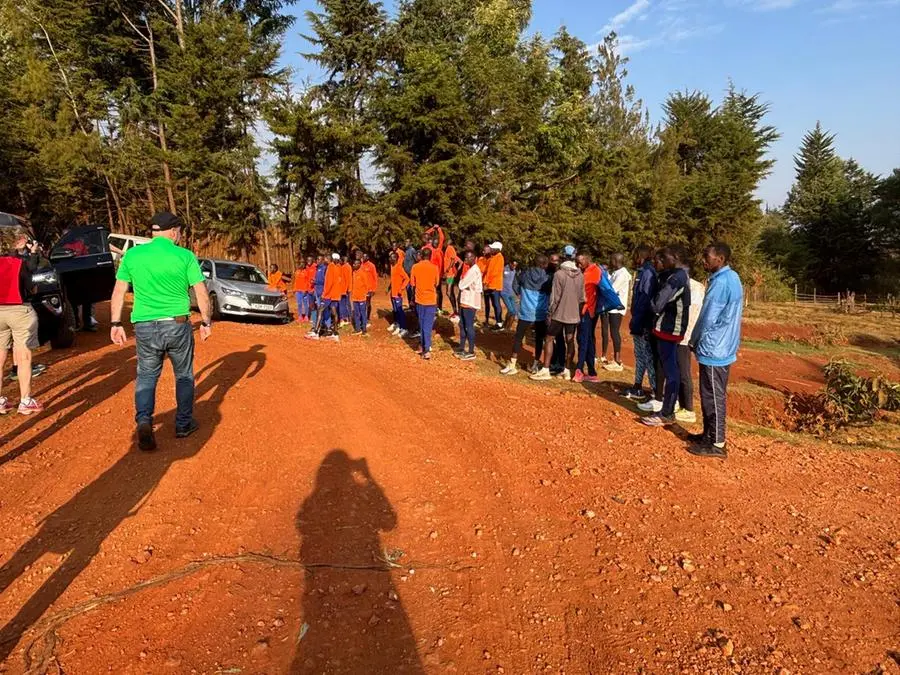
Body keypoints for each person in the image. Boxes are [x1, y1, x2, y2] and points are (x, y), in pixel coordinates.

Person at [110, 212, 212, 450]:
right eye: (180, 232)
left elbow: (118, 291)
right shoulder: (185, 256)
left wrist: (115, 323)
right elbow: (201, 291)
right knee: (184, 375)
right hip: (177, 324)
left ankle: (144, 420)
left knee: (146, 375)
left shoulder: (133, 255)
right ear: (174, 232)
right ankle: (183, 424)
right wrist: (206, 322)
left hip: (145, 326)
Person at [687, 243, 743, 458]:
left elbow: (708, 316)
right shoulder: (733, 277)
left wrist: (694, 338)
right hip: (724, 344)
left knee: (713, 395)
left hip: (714, 347)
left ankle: (717, 443)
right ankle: (709, 434)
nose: (703, 261)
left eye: (707, 257)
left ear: (719, 259)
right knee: (709, 393)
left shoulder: (720, 284)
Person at [641, 245, 691, 427]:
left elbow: (657, 303)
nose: (658, 263)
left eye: (663, 259)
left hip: (670, 330)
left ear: (675, 257)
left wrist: (652, 304)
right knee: (670, 370)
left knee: (671, 372)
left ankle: (667, 412)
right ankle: (667, 409)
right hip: (668, 329)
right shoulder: (676, 275)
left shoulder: (676, 278)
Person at [0, 230, 44, 415]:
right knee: (23, 354)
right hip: (19, 310)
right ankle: (25, 400)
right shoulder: (19, 264)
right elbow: (30, 285)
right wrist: (33, 253)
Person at [531, 246, 584, 381]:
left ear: (562, 257)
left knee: (549, 339)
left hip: (559, 313)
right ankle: (567, 371)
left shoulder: (559, 274)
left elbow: (554, 297)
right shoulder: (580, 275)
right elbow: (581, 297)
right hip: (573, 314)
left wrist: (550, 313)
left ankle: (546, 369)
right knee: (570, 341)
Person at [501, 255, 549, 376]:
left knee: (518, 337)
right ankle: (535, 364)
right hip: (540, 312)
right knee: (539, 339)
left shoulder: (526, 273)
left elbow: (515, 285)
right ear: (544, 265)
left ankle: (512, 363)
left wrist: (521, 294)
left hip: (525, 310)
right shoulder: (547, 278)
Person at [622, 245, 658, 400]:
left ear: (641, 256)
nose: (633, 258)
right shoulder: (643, 272)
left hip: (643, 323)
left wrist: (638, 322)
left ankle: (655, 391)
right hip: (639, 321)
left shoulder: (648, 273)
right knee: (640, 355)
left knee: (647, 357)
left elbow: (645, 301)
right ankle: (637, 386)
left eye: (635, 255)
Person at [675, 271, 705, 424]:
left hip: (685, 338)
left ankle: (688, 409)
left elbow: (693, 314)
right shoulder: (685, 285)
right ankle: (679, 404)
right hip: (678, 335)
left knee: (684, 372)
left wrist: (687, 337)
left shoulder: (695, 288)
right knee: (677, 371)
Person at [573, 253, 602, 384]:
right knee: (588, 340)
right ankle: (591, 372)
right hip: (585, 311)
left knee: (583, 340)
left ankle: (579, 370)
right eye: (576, 262)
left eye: (580, 262)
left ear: (587, 260)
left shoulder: (593, 272)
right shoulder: (586, 271)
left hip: (587, 311)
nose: (578, 265)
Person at [601, 253, 631, 372]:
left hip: (616, 308)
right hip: (611, 307)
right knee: (611, 331)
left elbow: (611, 289)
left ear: (615, 260)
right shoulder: (616, 272)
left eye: (611, 259)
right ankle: (614, 358)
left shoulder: (622, 274)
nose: (610, 261)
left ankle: (617, 360)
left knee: (614, 332)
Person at [409, 247, 439, 360]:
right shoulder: (434, 268)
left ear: (421, 255)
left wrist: (412, 299)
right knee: (427, 325)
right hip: (431, 300)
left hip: (420, 300)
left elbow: (413, 284)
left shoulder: (415, 267)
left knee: (422, 324)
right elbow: (436, 283)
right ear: (430, 256)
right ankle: (424, 347)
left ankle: (425, 349)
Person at [309, 253, 343, 342]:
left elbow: (329, 282)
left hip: (329, 294)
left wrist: (325, 294)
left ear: (330, 259)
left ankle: (315, 332)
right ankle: (335, 334)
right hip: (335, 294)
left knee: (320, 310)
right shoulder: (337, 267)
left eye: (326, 259)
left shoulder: (330, 267)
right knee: (334, 312)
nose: (325, 260)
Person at [456, 250, 482, 360]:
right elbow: (463, 284)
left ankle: (471, 351)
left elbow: (461, 285)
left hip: (470, 302)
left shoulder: (474, 271)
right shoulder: (471, 269)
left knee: (469, 325)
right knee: (462, 324)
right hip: (465, 301)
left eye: (469, 257)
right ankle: (462, 347)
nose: (466, 259)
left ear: (474, 258)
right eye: (465, 257)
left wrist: (463, 282)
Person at [387, 251, 410, 337]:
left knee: (400, 311)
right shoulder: (392, 267)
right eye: (390, 257)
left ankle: (404, 328)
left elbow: (407, 279)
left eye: (392, 257)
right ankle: (397, 325)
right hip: (393, 293)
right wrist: (389, 288)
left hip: (398, 294)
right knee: (395, 310)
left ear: (396, 258)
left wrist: (401, 288)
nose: (390, 259)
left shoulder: (399, 267)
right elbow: (393, 279)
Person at [350, 258, 375, 336]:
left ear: (359, 265)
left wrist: (368, 293)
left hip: (362, 298)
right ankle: (358, 329)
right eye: (353, 264)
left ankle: (364, 330)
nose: (354, 265)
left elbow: (367, 284)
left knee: (363, 313)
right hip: (355, 297)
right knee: (356, 314)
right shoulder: (353, 272)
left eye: (356, 264)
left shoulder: (363, 273)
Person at [483, 242, 505, 329]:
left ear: (497, 249)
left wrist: (487, 283)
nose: (491, 249)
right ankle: (498, 322)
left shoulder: (499, 258)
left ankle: (499, 323)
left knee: (496, 304)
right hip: (491, 284)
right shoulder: (494, 257)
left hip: (495, 285)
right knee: (494, 304)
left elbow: (494, 273)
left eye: (492, 248)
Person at [443, 237, 460, 319]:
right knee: (450, 292)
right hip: (449, 275)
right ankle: (455, 311)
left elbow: (454, 260)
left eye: (447, 241)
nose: (446, 242)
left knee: (449, 292)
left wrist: (449, 269)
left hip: (450, 275)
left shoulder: (450, 248)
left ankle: (456, 311)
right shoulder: (447, 249)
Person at [292, 258, 311, 323]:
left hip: (304, 291)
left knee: (305, 304)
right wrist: (294, 289)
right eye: (300, 263)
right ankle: (300, 316)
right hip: (298, 291)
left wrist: (306, 290)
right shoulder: (296, 272)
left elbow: (308, 282)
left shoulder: (306, 271)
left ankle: (306, 316)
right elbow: (295, 281)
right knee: (299, 304)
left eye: (303, 263)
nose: (301, 264)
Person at [310, 254, 327, 328]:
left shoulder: (324, 269)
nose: (317, 261)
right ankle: (317, 325)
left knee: (322, 309)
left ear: (322, 260)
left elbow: (324, 281)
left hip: (322, 291)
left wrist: (315, 281)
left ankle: (324, 326)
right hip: (317, 291)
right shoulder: (317, 268)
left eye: (319, 259)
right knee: (317, 308)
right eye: (317, 259)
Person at [500, 261, 518, 330]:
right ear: (510, 264)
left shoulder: (515, 271)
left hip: (512, 293)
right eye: (513, 265)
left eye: (516, 265)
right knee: (511, 311)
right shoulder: (503, 269)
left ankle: (506, 326)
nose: (514, 267)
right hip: (504, 293)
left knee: (514, 311)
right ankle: (507, 328)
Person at [361, 253, 378, 321]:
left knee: (368, 303)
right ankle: (363, 317)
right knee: (362, 303)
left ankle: (367, 318)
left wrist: (373, 289)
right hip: (362, 288)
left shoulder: (371, 266)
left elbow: (375, 278)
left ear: (368, 257)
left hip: (369, 289)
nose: (363, 258)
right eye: (363, 256)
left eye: (365, 256)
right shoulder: (361, 265)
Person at [403, 239, 417, 307]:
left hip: (411, 274)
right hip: (406, 274)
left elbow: (417, 260)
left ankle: (413, 305)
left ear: (410, 243)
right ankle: (410, 305)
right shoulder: (406, 251)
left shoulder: (412, 250)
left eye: (407, 242)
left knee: (412, 289)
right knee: (408, 289)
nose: (405, 243)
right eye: (405, 242)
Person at [339, 255, 352, 326]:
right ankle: (345, 318)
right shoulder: (344, 267)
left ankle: (347, 318)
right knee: (344, 304)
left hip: (345, 290)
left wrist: (348, 289)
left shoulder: (346, 267)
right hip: (342, 289)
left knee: (345, 304)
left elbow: (348, 278)